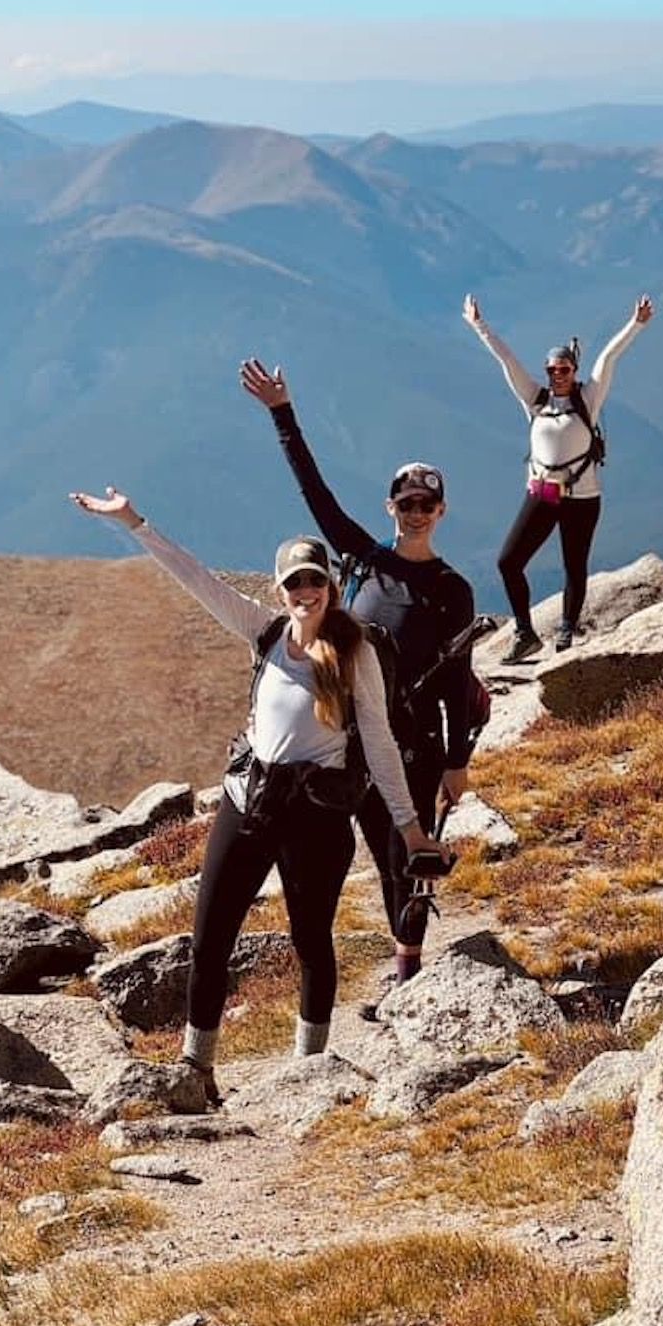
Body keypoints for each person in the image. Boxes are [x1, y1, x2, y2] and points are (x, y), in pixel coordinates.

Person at [69, 484, 447, 1103]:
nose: (306, 593)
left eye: (315, 581)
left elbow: (378, 743)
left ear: (328, 583)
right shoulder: (264, 630)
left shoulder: (357, 653)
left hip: (318, 816)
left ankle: (307, 1071)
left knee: (311, 941)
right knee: (209, 936)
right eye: (295, 583)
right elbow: (195, 579)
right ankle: (198, 1068)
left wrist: (409, 827)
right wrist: (134, 522)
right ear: (280, 590)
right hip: (249, 802)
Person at [240, 357, 475, 989]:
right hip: (351, 746)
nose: (415, 512)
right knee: (363, 852)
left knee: (406, 852)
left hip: (416, 744)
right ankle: (331, 971)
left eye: (427, 504)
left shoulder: (453, 590)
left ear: (442, 510)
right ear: (391, 507)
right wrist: (282, 413)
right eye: (406, 503)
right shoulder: (364, 561)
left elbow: (458, 679)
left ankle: (407, 972)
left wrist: (457, 762)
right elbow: (315, 495)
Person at [462, 292, 655, 662]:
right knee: (508, 561)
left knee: (574, 564)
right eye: (551, 370)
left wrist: (637, 324)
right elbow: (507, 359)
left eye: (563, 369)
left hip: (582, 497)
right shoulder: (535, 401)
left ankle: (566, 631)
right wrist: (478, 325)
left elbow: (609, 357)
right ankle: (525, 632)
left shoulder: (589, 399)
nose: (557, 375)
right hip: (543, 493)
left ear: (574, 371)